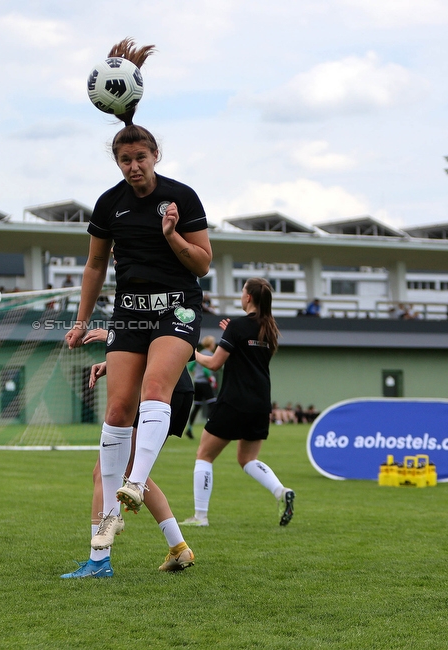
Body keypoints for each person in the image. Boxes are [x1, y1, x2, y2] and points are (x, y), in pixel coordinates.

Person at [64, 38, 212, 545]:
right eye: (125, 159)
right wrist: (82, 320)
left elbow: (204, 263)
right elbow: (94, 265)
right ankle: (102, 540)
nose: (133, 166)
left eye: (141, 157)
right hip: (128, 310)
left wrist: (172, 236)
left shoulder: (182, 197)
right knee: (116, 411)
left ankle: (133, 483)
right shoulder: (109, 205)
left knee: (156, 391)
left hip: (178, 307)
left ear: (155, 156)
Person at [61, 329, 195, 578]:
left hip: (156, 393)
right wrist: (113, 361)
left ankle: (99, 561)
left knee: (106, 469)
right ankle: (178, 548)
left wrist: (117, 337)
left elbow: (171, 349)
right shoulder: (159, 306)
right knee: (131, 473)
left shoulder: (148, 307)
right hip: (171, 390)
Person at [181, 278, 294, 528]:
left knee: (204, 455)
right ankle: (281, 492)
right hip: (260, 402)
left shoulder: (237, 326)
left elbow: (214, 363)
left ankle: (200, 517)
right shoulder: (270, 328)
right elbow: (247, 351)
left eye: (243, 292)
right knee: (247, 460)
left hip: (234, 400)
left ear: (248, 298)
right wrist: (229, 333)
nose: (241, 296)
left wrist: (190, 351)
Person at [184, 335, 217, 439]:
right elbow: (206, 369)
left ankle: (189, 428)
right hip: (205, 383)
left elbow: (190, 366)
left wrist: (195, 374)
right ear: (211, 344)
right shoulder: (210, 355)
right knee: (212, 405)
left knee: (197, 406)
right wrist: (211, 379)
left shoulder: (199, 354)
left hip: (197, 382)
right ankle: (211, 429)